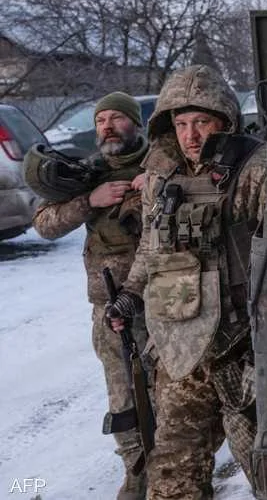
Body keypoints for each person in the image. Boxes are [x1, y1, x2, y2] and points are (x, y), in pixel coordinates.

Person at [106, 65, 266, 499]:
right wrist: (130, 295)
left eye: (202, 122)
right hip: (182, 346)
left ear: (225, 121)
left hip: (243, 348)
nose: (190, 135)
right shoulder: (161, 176)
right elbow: (151, 247)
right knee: (173, 471)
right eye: (180, 124)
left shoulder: (256, 169)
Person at [29, 92, 151, 500]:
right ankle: (136, 473)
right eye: (101, 120)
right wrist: (89, 201)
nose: (108, 127)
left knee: (170, 392)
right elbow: (44, 224)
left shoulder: (160, 165)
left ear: (136, 123)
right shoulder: (86, 172)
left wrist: (152, 187)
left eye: (117, 118)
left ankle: (173, 467)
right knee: (123, 396)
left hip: (164, 300)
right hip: (109, 307)